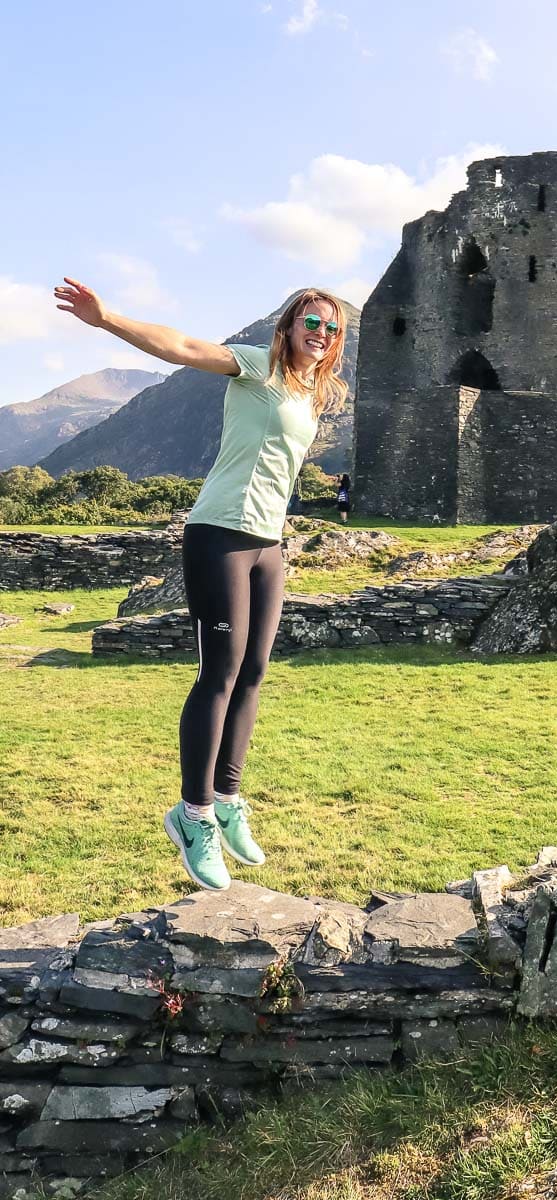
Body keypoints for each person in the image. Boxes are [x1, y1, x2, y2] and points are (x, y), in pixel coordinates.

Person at [54, 277, 348, 890]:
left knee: (255, 671)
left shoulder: (313, 392)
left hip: (269, 542)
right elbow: (182, 345)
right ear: (289, 327)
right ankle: (194, 816)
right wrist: (107, 319)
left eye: (330, 325)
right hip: (219, 533)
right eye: (310, 323)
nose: (319, 333)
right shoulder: (253, 367)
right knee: (219, 673)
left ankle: (229, 798)